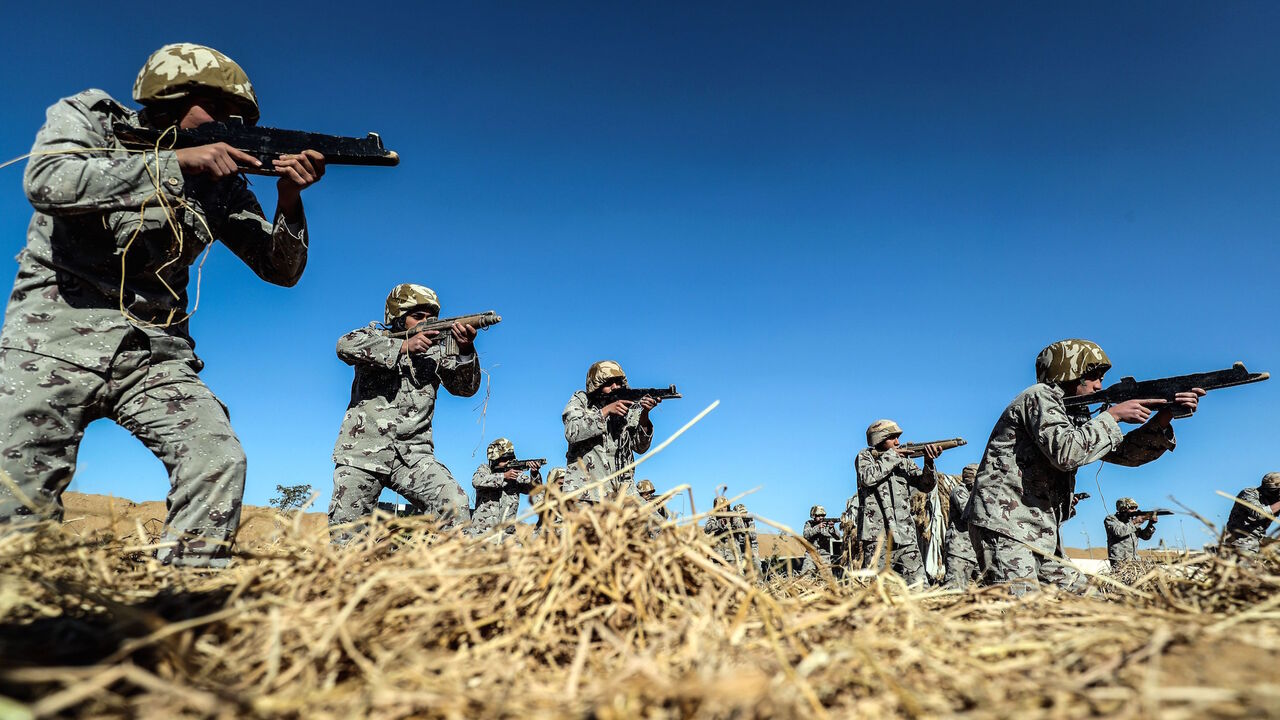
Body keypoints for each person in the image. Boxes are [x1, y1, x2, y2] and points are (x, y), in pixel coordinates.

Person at [0, 43, 325, 567]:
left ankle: (186, 605)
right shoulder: (92, 119)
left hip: (154, 355)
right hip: (52, 341)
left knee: (217, 458)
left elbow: (279, 269)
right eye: (220, 111)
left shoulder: (224, 182)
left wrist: (290, 198)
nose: (230, 126)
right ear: (171, 95)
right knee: (13, 503)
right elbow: (48, 182)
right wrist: (172, 164)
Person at [966, 339, 1202, 595]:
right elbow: (1067, 453)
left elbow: (1124, 454)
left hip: (1042, 535)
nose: (1099, 385)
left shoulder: (1073, 414)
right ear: (1068, 373)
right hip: (1006, 528)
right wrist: (1114, 416)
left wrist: (1166, 414)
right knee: (1020, 613)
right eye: (1092, 376)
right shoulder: (1039, 396)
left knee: (1091, 603)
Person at [328, 284, 480, 543]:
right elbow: (344, 346)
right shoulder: (374, 335)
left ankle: (442, 576)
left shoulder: (437, 353)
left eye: (432, 318)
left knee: (454, 503)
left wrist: (465, 351)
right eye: (418, 317)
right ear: (398, 317)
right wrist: (402, 347)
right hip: (362, 454)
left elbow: (466, 389)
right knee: (347, 538)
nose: (427, 323)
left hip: (413, 457)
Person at [561, 360, 660, 503]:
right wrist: (605, 412)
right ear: (596, 384)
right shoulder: (582, 400)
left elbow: (640, 447)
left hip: (624, 493)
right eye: (609, 383)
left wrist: (644, 415)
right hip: (586, 494)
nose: (615, 387)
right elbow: (572, 432)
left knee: (655, 524)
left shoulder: (627, 408)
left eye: (618, 382)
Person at [855, 420, 939, 586]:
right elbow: (867, 478)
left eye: (898, 437)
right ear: (879, 438)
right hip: (877, 537)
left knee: (919, 587)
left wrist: (928, 462)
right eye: (892, 437)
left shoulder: (904, 462)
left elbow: (926, 485)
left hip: (905, 534)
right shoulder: (865, 457)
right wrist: (893, 457)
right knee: (878, 590)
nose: (897, 442)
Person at [471, 438, 541, 538]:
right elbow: (476, 481)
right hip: (482, 533)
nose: (508, 462)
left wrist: (534, 474)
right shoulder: (485, 469)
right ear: (495, 460)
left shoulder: (515, 474)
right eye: (504, 460)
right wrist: (503, 476)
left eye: (511, 458)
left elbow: (534, 490)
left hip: (507, 535)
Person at [942, 464, 981, 590]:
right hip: (959, 551)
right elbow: (969, 513)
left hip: (976, 550)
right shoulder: (959, 491)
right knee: (955, 590)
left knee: (992, 589)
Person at [1221, 473, 1280, 555]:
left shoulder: (1274, 500)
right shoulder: (1248, 493)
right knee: (1246, 562)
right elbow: (1259, 513)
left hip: (1260, 540)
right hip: (1241, 540)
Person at [1104, 497, 1157, 569]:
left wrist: (1150, 524)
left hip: (1134, 560)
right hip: (1119, 560)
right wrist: (1136, 521)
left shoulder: (1130, 521)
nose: (1134, 510)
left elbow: (1144, 536)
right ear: (1123, 508)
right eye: (1132, 508)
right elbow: (1119, 532)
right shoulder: (1111, 519)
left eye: (1135, 508)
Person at [802, 505, 842, 570]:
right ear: (813, 515)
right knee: (806, 576)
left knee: (827, 578)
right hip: (811, 555)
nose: (821, 517)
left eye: (823, 516)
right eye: (819, 515)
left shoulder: (827, 525)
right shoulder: (809, 524)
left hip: (824, 556)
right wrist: (818, 527)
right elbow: (806, 535)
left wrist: (832, 528)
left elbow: (838, 537)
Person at [733, 503, 761, 573]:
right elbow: (741, 531)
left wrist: (750, 523)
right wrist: (739, 519)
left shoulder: (750, 521)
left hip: (751, 547)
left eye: (745, 512)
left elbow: (753, 536)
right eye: (742, 513)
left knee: (757, 565)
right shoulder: (734, 521)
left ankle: (759, 582)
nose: (744, 514)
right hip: (739, 548)